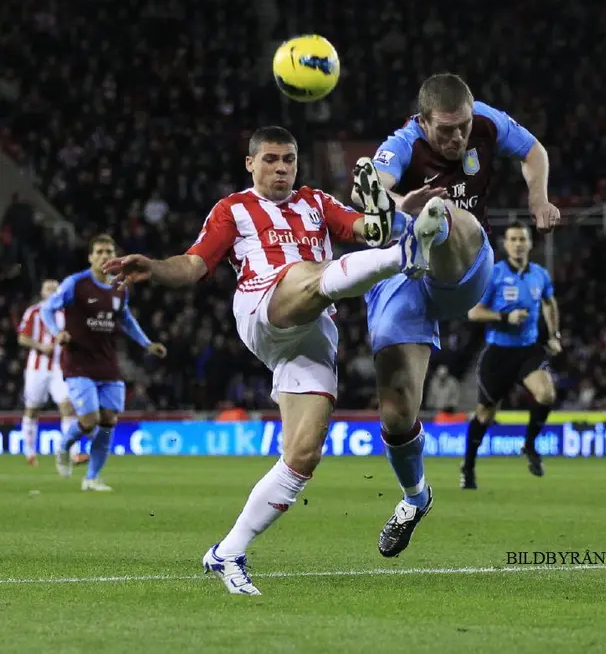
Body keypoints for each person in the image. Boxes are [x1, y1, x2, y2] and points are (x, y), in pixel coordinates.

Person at [104, 125, 442, 596]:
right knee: (306, 274)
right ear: (251, 164)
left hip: (314, 331)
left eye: (288, 160)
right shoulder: (233, 210)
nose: (281, 168)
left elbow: (365, 228)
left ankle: (228, 552)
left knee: (302, 455)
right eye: (270, 159)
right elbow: (193, 264)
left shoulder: (318, 202)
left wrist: (390, 213)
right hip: (265, 307)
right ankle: (404, 257)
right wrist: (155, 268)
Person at [352, 73, 560, 557]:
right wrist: (391, 203)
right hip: (404, 276)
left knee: (447, 213)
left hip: (467, 264)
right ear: (422, 122)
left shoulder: (487, 122)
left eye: (462, 127)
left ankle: (430, 227)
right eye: (445, 130)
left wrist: (537, 198)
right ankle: (414, 497)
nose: (457, 137)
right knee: (397, 411)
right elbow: (376, 182)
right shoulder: (401, 142)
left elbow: (534, 152)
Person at [40, 234, 167, 491]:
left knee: (108, 420)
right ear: (90, 257)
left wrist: (146, 343)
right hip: (78, 362)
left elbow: (127, 320)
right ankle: (64, 447)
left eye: (109, 251)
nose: (104, 256)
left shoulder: (120, 287)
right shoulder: (75, 284)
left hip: (108, 363)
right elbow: (46, 309)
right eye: (99, 252)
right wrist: (57, 333)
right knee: (89, 420)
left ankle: (92, 478)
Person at [463, 221, 561, 488]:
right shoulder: (493, 274)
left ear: (529, 243)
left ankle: (529, 445)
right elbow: (474, 312)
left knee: (546, 393)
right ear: (505, 245)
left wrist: (553, 335)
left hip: (527, 351)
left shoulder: (539, 275)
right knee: (485, 415)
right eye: (513, 239)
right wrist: (506, 316)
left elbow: (550, 302)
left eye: (522, 239)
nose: (518, 244)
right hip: (498, 354)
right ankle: (468, 467)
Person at [17, 279, 88, 467]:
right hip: (36, 369)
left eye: (55, 288)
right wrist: (40, 346)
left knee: (68, 407)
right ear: (41, 292)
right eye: (48, 288)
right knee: (32, 409)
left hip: (60, 369)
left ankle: (73, 453)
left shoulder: (67, 314)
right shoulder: (33, 311)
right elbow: (22, 337)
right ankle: (30, 453)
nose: (51, 291)